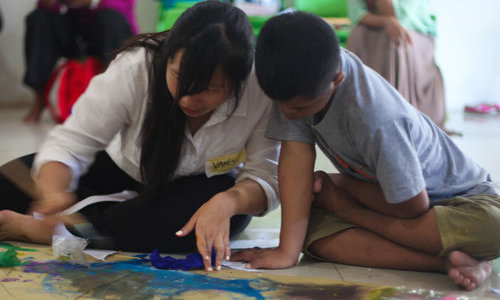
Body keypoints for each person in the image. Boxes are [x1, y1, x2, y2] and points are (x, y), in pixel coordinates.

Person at [0, 1, 279, 272]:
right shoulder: (137, 67)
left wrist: (228, 202)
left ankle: (56, 229)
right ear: (168, 56)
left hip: (196, 189)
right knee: (8, 182)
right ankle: (81, 224)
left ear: (239, 80)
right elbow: (72, 142)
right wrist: (53, 191)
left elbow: (265, 176)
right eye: (178, 76)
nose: (187, 97)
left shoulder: (260, 89)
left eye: (209, 89)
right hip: (119, 167)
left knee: (214, 219)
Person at [230, 11, 500, 291]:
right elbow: (295, 158)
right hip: (391, 205)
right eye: (281, 105)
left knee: (493, 228)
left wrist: (344, 202)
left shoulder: (376, 117)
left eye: (298, 109)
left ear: (337, 78)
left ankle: (460, 251)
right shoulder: (295, 83)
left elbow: (413, 207)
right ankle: (450, 262)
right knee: (308, 231)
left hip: (457, 202)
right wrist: (287, 251)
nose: (288, 114)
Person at [23, 0, 138, 124]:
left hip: (107, 29)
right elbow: (43, 5)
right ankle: (39, 98)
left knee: (110, 18)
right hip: (73, 30)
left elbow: (120, 5)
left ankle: (116, 100)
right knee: (39, 18)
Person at [346, 0, 446, 129]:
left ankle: (396, 114)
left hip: (415, 33)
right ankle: (362, 110)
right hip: (377, 29)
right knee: (357, 34)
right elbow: (356, 15)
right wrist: (386, 21)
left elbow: (401, 20)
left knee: (396, 40)